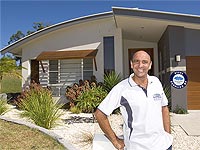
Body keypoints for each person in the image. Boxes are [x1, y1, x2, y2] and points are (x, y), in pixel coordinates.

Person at [94, 50, 173, 150]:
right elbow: (100, 114)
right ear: (131, 64)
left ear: (150, 65)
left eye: (144, 62)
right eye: (136, 61)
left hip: (164, 145)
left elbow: (164, 107)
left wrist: (167, 134)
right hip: (137, 147)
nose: (140, 65)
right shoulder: (122, 88)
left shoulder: (156, 82)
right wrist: (115, 141)